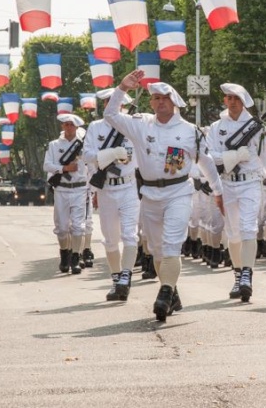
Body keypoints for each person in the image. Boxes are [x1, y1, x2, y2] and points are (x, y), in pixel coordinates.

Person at [104, 70, 223, 321]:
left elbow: (207, 162)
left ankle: (165, 293)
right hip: (149, 193)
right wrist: (122, 88)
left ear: (174, 101)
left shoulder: (190, 130)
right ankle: (172, 290)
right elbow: (111, 114)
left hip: (178, 192)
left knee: (171, 245)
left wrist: (218, 190)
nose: (160, 102)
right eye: (155, 98)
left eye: (164, 98)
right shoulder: (140, 124)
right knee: (157, 250)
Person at [207, 83, 266, 302]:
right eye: (228, 98)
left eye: (236, 98)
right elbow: (210, 158)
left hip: (250, 183)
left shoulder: (257, 128)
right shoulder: (217, 127)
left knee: (248, 228)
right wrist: (235, 156)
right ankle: (238, 274)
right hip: (227, 183)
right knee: (232, 232)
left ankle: (247, 274)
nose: (232, 101)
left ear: (243, 100)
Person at [82, 88, 140, 301]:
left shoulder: (131, 125)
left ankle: (126, 275)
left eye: (116, 102)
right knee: (110, 240)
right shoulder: (95, 127)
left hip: (128, 187)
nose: (113, 105)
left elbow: (138, 153)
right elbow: (87, 155)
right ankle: (116, 279)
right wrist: (111, 154)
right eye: (108, 102)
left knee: (130, 235)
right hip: (106, 188)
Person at [43, 113, 88, 275]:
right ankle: (64, 254)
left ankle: (76, 257)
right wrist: (64, 169)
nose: (68, 127)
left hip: (79, 188)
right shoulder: (54, 145)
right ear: (62, 126)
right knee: (62, 227)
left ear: (77, 127)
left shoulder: (84, 145)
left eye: (72, 125)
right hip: (61, 188)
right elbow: (47, 165)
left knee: (78, 226)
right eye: (66, 124)